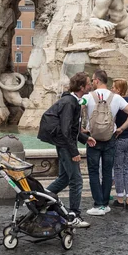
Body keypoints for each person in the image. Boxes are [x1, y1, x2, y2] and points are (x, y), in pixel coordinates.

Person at [38, 72, 95, 228]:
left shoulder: (71, 101)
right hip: (65, 145)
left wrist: (84, 139)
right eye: (88, 83)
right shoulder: (70, 103)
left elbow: (70, 128)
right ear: (82, 87)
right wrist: (74, 152)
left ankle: (39, 200)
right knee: (76, 181)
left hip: (64, 144)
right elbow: (65, 130)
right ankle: (74, 215)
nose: (91, 85)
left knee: (64, 178)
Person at [83, 70, 128, 216]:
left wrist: (80, 129)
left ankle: (98, 204)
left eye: (93, 80)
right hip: (110, 138)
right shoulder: (117, 98)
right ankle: (105, 204)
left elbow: (76, 108)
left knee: (94, 172)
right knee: (108, 172)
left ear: (96, 81)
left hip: (92, 138)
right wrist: (120, 128)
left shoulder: (87, 97)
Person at [111, 79, 128, 210]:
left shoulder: (116, 102)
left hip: (119, 139)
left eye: (113, 87)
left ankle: (120, 199)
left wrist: (120, 128)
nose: (111, 89)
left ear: (119, 90)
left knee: (118, 169)